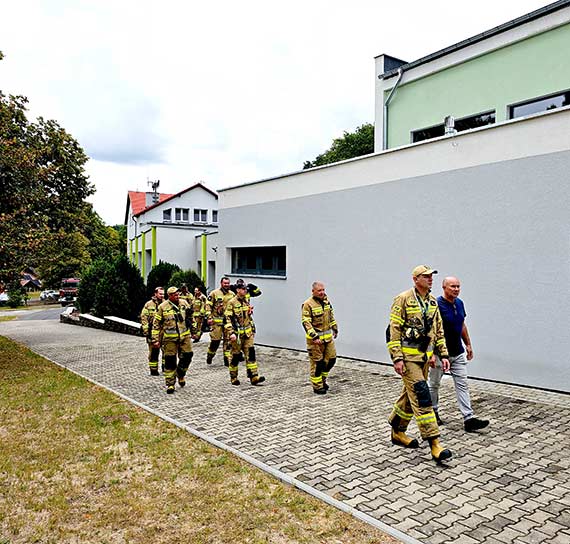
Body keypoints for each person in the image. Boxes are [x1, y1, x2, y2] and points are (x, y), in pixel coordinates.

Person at [386, 265, 452, 463]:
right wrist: (397, 358)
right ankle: (435, 444)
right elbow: (394, 330)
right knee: (422, 396)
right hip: (407, 360)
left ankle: (397, 432)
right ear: (415, 279)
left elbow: (438, 330)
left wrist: (443, 354)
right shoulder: (403, 299)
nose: (430, 279)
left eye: (431, 276)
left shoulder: (432, 301)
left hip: (424, 358)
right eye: (426, 276)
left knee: (410, 396)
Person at [429, 276, 489, 432]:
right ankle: (433, 412)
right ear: (444, 288)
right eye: (452, 286)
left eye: (458, 286)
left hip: (457, 353)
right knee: (434, 385)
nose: (456, 289)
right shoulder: (436, 305)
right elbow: (431, 331)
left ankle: (468, 419)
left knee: (462, 384)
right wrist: (431, 353)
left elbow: (461, 324)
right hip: (440, 354)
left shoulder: (460, 303)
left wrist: (468, 344)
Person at [151, 286, 195, 394]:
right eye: (175, 295)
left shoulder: (184, 303)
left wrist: (194, 331)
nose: (177, 296)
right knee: (170, 361)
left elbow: (190, 317)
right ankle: (170, 384)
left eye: (178, 294)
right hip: (170, 339)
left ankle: (181, 373)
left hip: (185, 337)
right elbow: (156, 325)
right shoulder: (162, 307)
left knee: (188, 355)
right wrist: (155, 339)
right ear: (169, 296)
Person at [224, 279, 266, 385]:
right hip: (237, 336)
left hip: (248, 334)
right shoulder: (232, 302)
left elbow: (248, 316)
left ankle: (254, 377)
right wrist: (231, 333)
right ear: (237, 290)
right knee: (235, 357)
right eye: (243, 289)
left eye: (245, 289)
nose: (245, 291)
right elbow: (227, 319)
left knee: (251, 355)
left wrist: (252, 328)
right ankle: (233, 377)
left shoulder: (246, 300)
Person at [301, 281, 338, 395]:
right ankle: (317, 386)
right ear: (313, 291)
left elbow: (331, 316)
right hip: (315, 341)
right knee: (318, 364)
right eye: (319, 290)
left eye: (323, 290)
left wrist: (335, 328)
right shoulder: (307, 304)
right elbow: (306, 322)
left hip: (328, 339)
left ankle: (322, 380)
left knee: (331, 359)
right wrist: (314, 336)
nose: (322, 292)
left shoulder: (326, 302)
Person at [205, 277, 235, 365]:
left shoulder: (232, 294)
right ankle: (210, 355)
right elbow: (208, 306)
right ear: (221, 283)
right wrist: (209, 317)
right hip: (216, 323)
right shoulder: (214, 293)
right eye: (225, 283)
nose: (226, 285)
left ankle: (227, 360)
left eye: (228, 283)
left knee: (228, 342)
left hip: (228, 323)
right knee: (215, 342)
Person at [140, 286, 164, 376]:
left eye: (163, 294)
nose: (162, 295)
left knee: (166, 351)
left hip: (164, 331)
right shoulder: (148, 305)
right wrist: (146, 331)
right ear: (155, 294)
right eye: (160, 294)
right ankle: (153, 370)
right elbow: (144, 318)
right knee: (153, 351)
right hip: (152, 331)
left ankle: (165, 368)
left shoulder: (166, 304)